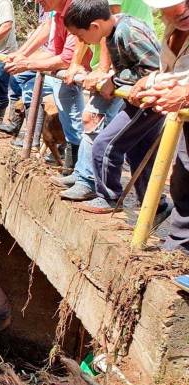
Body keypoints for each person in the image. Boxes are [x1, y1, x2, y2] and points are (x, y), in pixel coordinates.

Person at [63, 0, 169, 219]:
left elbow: (155, 69)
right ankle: (157, 207)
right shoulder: (113, 32)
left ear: (94, 27)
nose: (81, 41)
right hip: (139, 100)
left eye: (80, 35)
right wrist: (115, 78)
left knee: (105, 145)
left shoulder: (127, 31)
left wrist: (115, 79)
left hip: (146, 101)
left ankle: (109, 197)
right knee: (139, 153)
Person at [1, 0, 92, 174]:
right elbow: (55, 51)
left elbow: (66, 58)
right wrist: (23, 58)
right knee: (30, 89)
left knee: (78, 121)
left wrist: (27, 63)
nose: (37, 2)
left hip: (82, 73)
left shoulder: (74, 12)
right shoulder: (57, 14)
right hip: (66, 70)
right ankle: (32, 142)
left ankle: (79, 171)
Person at [131, 0, 189, 254]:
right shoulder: (174, 29)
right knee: (182, 178)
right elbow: (177, 72)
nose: (182, 10)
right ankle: (179, 247)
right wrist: (151, 79)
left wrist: (186, 93)